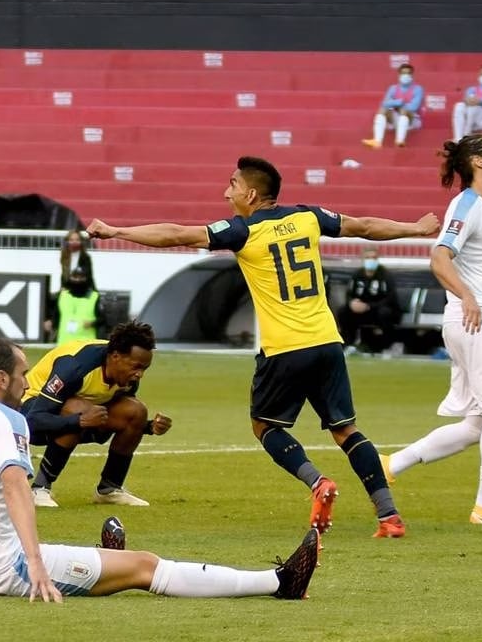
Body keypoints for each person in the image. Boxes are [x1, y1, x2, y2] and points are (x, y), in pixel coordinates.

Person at [0, 338, 320, 600]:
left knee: (108, 565)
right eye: (24, 375)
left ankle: (95, 564)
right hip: (5, 572)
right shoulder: (4, 421)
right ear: (1, 377)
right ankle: (278, 583)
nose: (29, 385)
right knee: (146, 565)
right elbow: (17, 491)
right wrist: (35, 571)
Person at [86, 156, 441, 537]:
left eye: (232, 184)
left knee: (264, 426)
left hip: (284, 348)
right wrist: (416, 229)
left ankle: (318, 482)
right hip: (327, 341)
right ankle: (389, 516)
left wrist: (115, 229)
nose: (227, 192)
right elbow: (366, 226)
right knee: (346, 430)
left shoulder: (242, 231)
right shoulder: (309, 217)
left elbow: (176, 234)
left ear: (251, 194)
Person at [381, 133, 482, 527]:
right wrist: (468, 297)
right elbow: (439, 259)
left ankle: (390, 464)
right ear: (478, 162)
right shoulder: (467, 204)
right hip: (477, 319)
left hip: (471, 317)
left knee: (476, 424)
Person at [23, 321, 171, 508]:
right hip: (29, 409)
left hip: (78, 412)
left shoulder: (126, 377)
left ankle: (109, 489)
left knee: (135, 411)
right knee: (79, 409)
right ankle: (39, 488)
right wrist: (80, 421)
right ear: (116, 356)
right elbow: (33, 420)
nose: (140, 374)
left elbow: (119, 419)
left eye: (144, 369)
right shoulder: (75, 367)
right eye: (137, 367)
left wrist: (149, 427)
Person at [336, 248, 402, 354]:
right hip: (361, 310)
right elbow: (349, 294)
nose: (371, 260)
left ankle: (385, 347)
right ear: (362, 259)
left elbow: (391, 298)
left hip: (379, 309)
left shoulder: (385, 275)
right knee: (343, 311)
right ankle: (349, 345)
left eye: (373, 258)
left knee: (385, 313)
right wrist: (352, 303)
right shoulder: (357, 274)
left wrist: (369, 306)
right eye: (368, 258)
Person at [362, 63, 424, 148]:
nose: (405, 75)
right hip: (397, 118)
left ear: (412, 75)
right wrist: (398, 102)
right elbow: (384, 103)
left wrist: (397, 105)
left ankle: (399, 141)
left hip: (413, 120)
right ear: (399, 75)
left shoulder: (418, 89)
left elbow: (414, 107)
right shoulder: (393, 88)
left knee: (404, 111)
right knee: (382, 110)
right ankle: (377, 141)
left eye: (408, 73)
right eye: (403, 73)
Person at [44, 266, 103, 344]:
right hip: (64, 343)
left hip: (85, 344)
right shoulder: (63, 296)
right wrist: (50, 322)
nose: (78, 280)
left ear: (86, 279)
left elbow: (102, 319)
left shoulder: (94, 297)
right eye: (75, 277)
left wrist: (92, 323)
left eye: (81, 277)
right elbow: (56, 314)